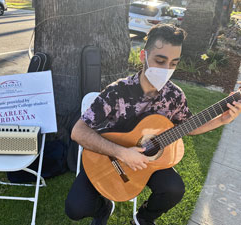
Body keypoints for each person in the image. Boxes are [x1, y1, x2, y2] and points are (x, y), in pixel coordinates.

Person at [65, 24, 241, 225]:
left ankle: (143, 219)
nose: (166, 69)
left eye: (173, 63)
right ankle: (104, 207)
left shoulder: (174, 96)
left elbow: (188, 126)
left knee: (174, 189)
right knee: (75, 209)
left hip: (146, 162)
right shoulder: (117, 92)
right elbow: (78, 132)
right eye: (160, 60)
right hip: (108, 157)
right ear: (143, 56)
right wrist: (123, 153)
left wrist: (222, 119)